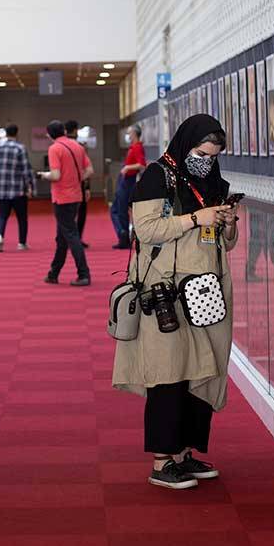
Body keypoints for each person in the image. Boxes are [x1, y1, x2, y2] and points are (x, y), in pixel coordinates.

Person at [112, 114, 238, 490]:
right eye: (201, 154)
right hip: (165, 290)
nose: (206, 162)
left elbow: (224, 242)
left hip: (206, 290)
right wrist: (194, 218)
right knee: (168, 372)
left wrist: (227, 223)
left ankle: (184, 454)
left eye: (213, 156)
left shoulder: (213, 182)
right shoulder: (157, 176)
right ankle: (162, 460)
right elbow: (146, 229)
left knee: (201, 369)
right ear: (186, 145)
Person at [37, 119, 91, 286]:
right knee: (62, 236)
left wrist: (43, 175)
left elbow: (55, 175)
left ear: (50, 135)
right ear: (64, 131)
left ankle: (84, 274)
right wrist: (75, 180)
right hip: (76, 196)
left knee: (71, 235)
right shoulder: (78, 146)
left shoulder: (55, 148)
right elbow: (89, 170)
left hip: (62, 198)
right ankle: (54, 273)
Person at [0, 123, 34, 252]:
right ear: (17, 133)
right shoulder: (20, 148)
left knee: (2, 215)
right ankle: (21, 243)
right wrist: (29, 186)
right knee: (22, 217)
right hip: (17, 189)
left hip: (0, 189)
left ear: (6, 133)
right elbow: (25, 170)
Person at [111, 124, 147, 249]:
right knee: (117, 209)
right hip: (125, 180)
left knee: (118, 210)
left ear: (134, 134)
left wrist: (127, 167)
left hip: (128, 181)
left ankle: (123, 235)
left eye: (129, 133)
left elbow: (142, 165)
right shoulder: (133, 147)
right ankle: (123, 234)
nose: (128, 135)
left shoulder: (137, 147)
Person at [65, 119, 91, 247]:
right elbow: (86, 169)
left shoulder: (61, 146)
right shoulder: (80, 147)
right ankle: (77, 238)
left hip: (65, 185)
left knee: (67, 213)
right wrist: (87, 188)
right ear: (76, 130)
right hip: (79, 184)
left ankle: (67, 238)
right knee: (81, 212)